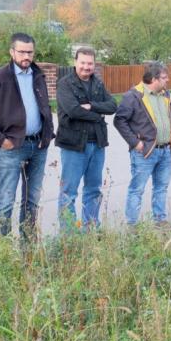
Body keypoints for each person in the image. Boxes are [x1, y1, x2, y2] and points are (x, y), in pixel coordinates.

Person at [0, 32, 54, 240]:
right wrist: (0, 140)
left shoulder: (38, 75)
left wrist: (48, 135)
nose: (26, 56)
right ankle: (3, 249)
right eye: (22, 52)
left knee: (32, 200)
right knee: (6, 201)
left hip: (38, 146)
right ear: (12, 52)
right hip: (11, 148)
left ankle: (28, 249)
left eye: (30, 52)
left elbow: (45, 107)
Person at [55, 47, 117, 230]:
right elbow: (73, 110)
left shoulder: (97, 83)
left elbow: (113, 105)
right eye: (83, 62)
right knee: (69, 192)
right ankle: (69, 237)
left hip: (97, 144)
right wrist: (98, 115)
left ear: (94, 65)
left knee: (93, 189)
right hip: (74, 145)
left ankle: (90, 229)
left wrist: (91, 106)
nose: (86, 67)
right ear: (75, 62)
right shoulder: (65, 84)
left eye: (90, 63)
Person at [114, 63, 171, 226]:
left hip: (165, 151)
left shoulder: (166, 95)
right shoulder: (134, 96)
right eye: (164, 78)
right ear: (153, 79)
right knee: (137, 189)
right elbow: (119, 120)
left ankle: (160, 219)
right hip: (145, 152)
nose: (168, 80)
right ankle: (132, 225)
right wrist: (135, 142)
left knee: (161, 188)